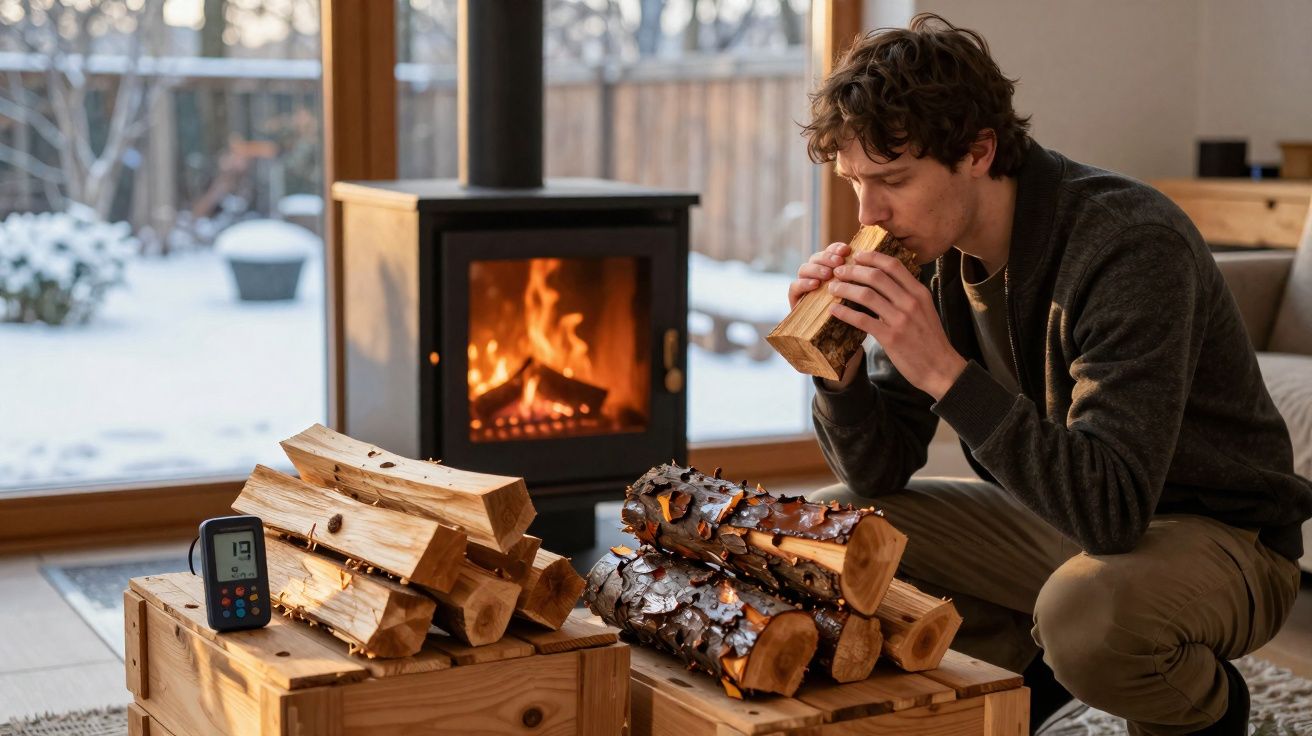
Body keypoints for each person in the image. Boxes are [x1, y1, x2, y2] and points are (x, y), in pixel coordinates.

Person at [789, 13, 1312, 735]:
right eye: (854, 184)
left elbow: (1113, 510)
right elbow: (878, 470)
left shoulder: (1128, 244)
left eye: (893, 180)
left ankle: (1207, 707)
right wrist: (839, 369)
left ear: (978, 150)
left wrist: (943, 368)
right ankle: (1022, 679)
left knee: (1086, 617)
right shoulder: (929, 248)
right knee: (838, 531)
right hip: (1060, 520)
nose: (868, 213)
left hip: (1220, 536)